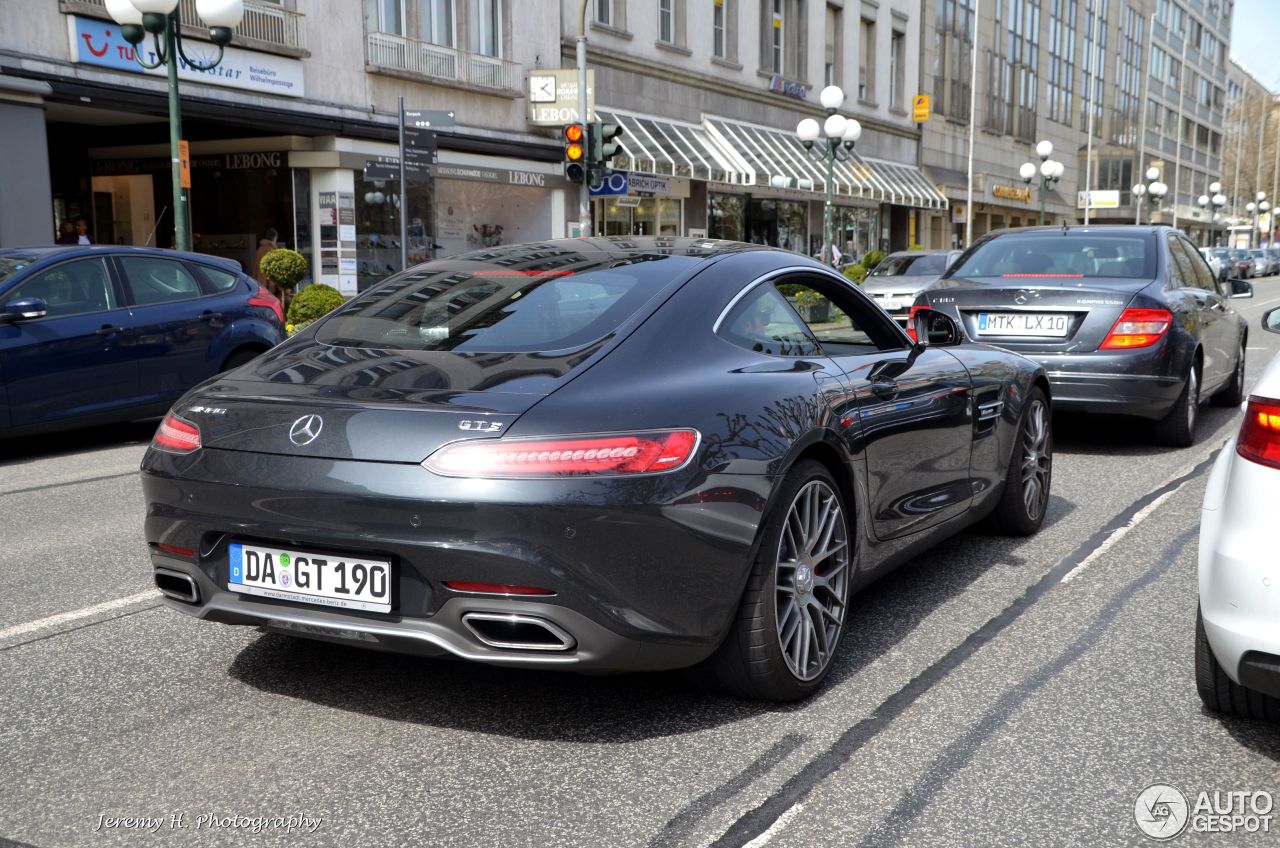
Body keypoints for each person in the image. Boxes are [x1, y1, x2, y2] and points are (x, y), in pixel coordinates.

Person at [253, 227, 278, 293]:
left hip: (259, 280)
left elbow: (255, 266)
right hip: (268, 281)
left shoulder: (260, 249)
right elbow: (273, 269)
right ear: (274, 237)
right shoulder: (271, 250)